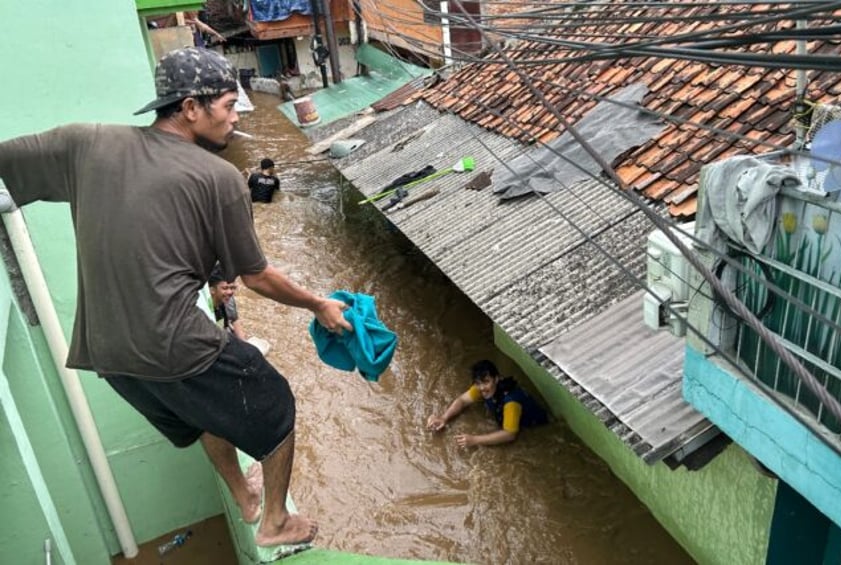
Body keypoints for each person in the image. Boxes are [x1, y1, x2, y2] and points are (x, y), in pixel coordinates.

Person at [0, 46, 352, 547]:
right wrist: (318, 304)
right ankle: (274, 520)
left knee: (205, 411)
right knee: (275, 404)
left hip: (105, 356)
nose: (236, 118)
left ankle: (244, 497)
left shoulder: (87, 143)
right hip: (171, 344)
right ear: (191, 108)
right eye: (229, 105)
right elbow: (255, 276)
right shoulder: (220, 178)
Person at [427, 360, 548, 447]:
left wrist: (475, 440)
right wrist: (444, 418)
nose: (482, 388)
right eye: (478, 383)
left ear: (496, 379)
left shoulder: (511, 403)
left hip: (535, 426)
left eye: (486, 382)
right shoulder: (481, 387)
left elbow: (510, 434)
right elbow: (462, 401)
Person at [208, 265, 248, 341]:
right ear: (212, 290)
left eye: (232, 288)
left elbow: (234, 321)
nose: (230, 292)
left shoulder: (225, 301)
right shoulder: (205, 309)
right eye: (225, 288)